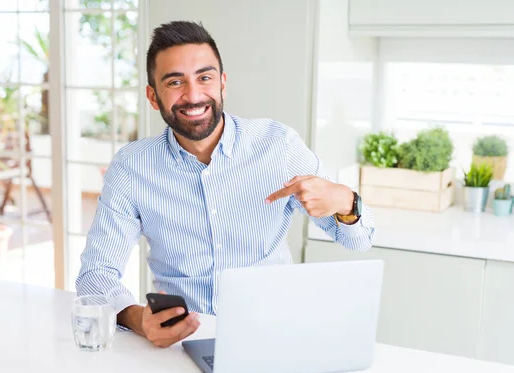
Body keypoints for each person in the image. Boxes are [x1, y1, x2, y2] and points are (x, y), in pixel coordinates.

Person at [76, 21, 375, 348]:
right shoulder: (132, 168)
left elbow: (360, 240)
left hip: (275, 335)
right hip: (183, 346)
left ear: (222, 84)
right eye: (175, 82)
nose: (193, 95)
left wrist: (346, 201)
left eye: (204, 78)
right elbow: (96, 277)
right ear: (152, 96)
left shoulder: (279, 146)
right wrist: (138, 319)